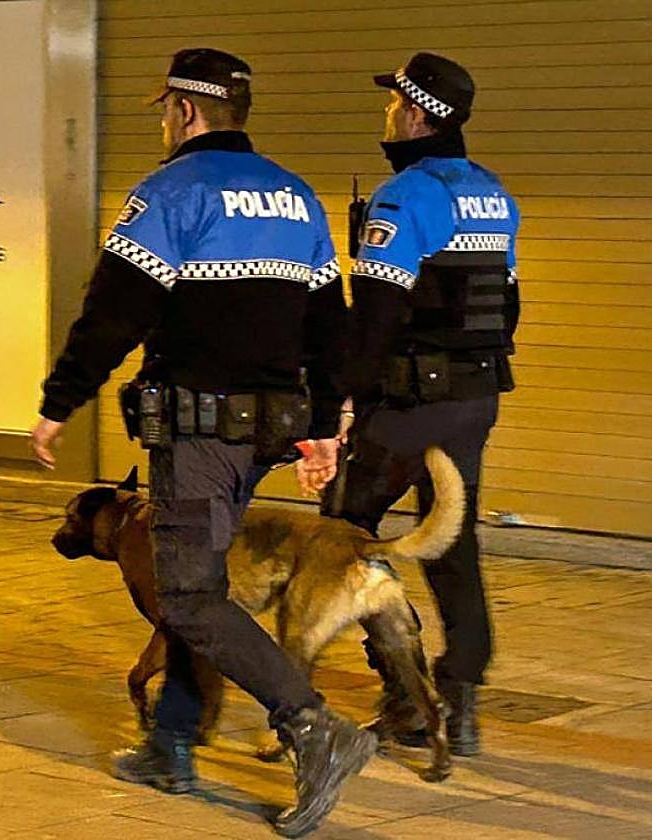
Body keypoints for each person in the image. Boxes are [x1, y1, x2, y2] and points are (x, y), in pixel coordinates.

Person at [30, 48, 375, 838]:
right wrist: (325, 426)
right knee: (202, 587)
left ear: (184, 110)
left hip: (198, 433)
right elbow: (331, 326)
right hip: (265, 434)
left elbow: (112, 312)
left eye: (164, 108)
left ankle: (314, 726)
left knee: (187, 597)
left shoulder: (169, 193)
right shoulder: (296, 198)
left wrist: (59, 403)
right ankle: (172, 743)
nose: (162, 121)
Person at [320, 52, 521, 757]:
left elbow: (376, 316)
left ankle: (407, 695)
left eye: (393, 104)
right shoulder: (494, 194)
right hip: (476, 397)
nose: (387, 115)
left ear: (415, 114)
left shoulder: (403, 196)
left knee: (345, 537)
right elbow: (508, 305)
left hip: (410, 403)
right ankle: (459, 700)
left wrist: (341, 402)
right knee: (451, 539)